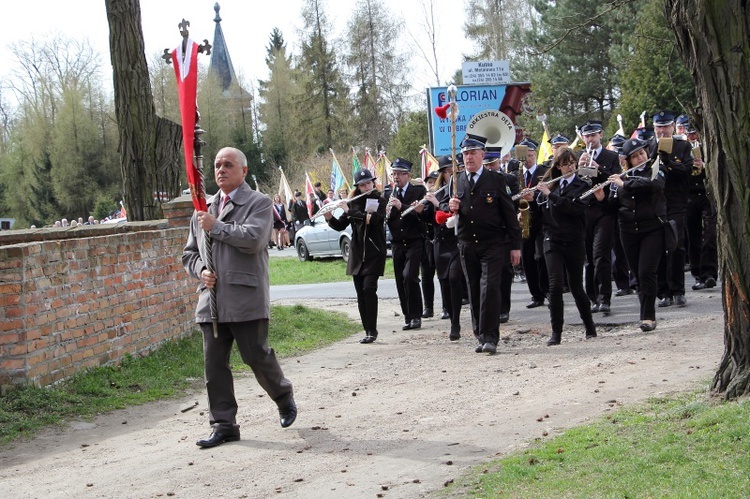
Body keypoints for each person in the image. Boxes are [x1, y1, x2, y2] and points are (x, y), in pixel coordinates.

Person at [182, 146, 296, 449]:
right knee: (214, 365)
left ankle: (283, 395)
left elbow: (253, 240)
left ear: (243, 171)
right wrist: (201, 270)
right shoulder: (203, 207)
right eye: (217, 165)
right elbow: (189, 254)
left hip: (246, 297)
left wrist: (216, 226)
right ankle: (224, 424)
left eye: (228, 165)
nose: (221, 170)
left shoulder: (258, 203)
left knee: (256, 355)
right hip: (212, 300)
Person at [445, 134, 522, 354]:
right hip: (468, 243)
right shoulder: (457, 180)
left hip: (493, 243)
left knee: (489, 288)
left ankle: (490, 337)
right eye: (465, 153)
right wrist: (451, 205)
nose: (468, 157)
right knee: (474, 289)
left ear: (482, 154)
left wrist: (515, 246)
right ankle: (480, 334)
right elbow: (446, 208)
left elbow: (509, 215)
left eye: (472, 153)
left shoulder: (497, 180)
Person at [535, 147, 597, 345]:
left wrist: (549, 195)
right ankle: (556, 333)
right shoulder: (552, 185)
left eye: (572, 163)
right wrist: (533, 199)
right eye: (565, 164)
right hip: (552, 239)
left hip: (573, 239)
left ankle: (589, 326)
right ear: (558, 167)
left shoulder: (583, 185)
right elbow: (543, 213)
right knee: (554, 286)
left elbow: (573, 207)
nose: (569, 167)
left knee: (576, 286)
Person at [609, 138, 667, 332]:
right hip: (628, 230)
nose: (640, 157)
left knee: (646, 271)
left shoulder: (656, 168)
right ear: (628, 160)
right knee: (637, 276)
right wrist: (604, 194)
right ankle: (645, 312)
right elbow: (612, 205)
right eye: (635, 156)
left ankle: (648, 316)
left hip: (653, 229)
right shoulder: (621, 176)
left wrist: (624, 184)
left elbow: (653, 186)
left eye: (641, 153)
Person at [324, 169, 386, 343]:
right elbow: (339, 225)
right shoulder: (353, 203)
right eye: (362, 184)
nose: (366, 186)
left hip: (374, 252)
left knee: (369, 288)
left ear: (373, 183)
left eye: (368, 183)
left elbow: (373, 220)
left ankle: (373, 330)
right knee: (360, 293)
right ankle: (367, 330)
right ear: (357, 187)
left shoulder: (379, 200)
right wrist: (329, 215)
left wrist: (349, 211)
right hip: (357, 253)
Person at [578, 120, 622, 314]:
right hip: (585, 212)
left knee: (600, 254)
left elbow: (616, 179)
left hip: (604, 210)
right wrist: (576, 169)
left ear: (600, 135)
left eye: (593, 135)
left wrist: (598, 168)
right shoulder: (579, 156)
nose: (590, 139)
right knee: (588, 257)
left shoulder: (611, 156)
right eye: (586, 136)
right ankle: (592, 297)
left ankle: (605, 298)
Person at [652, 111, 693, 308]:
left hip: (676, 201)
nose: (662, 130)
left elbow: (686, 170)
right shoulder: (649, 147)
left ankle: (678, 291)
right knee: (659, 247)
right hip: (656, 202)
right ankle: (663, 292)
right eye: (659, 127)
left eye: (666, 126)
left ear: (672, 127)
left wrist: (668, 161)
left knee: (676, 245)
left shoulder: (682, 146)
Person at [385, 158, 427, 331]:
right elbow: (387, 219)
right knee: (400, 279)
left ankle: (417, 315)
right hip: (397, 243)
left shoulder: (418, 191)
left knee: (410, 276)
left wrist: (401, 206)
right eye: (394, 174)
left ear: (408, 175)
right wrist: (387, 211)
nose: (396, 177)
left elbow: (421, 214)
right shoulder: (388, 192)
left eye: (400, 174)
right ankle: (408, 316)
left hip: (414, 240)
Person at [426, 156, 464, 339]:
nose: (452, 174)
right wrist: (427, 205)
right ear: (443, 174)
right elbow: (430, 220)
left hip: (457, 242)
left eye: (454, 171)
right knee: (444, 283)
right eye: (448, 171)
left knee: (455, 278)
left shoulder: (462, 189)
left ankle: (456, 321)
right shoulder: (436, 192)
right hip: (441, 243)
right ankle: (452, 319)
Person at [484, 146, 521, 324]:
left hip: (504, 232)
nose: (490, 168)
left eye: (493, 164)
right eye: (487, 165)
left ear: (499, 162)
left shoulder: (509, 179)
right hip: (488, 233)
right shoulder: (481, 182)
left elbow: (513, 207)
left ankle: (503, 308)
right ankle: (491, 309)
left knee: (505, 273)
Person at [684, 123, 718, 290]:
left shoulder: (708, 147)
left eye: (694, 133)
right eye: (690, 134)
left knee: (710, 234)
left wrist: (704, 166)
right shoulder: (682, 149)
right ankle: (698, 275)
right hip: (689, 196)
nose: (693, 137)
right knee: (693, 237)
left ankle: (710, 273)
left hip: (706, 193)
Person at [518, 139, 550, 309]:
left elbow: (549, 194)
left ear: (535, 155)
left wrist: (534, 200)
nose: (528, 160)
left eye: (530, 156)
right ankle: (536, 295)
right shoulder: (515, 174)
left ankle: (547, 289)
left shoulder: (544, 172)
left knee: (542, 256)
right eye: (525, 157)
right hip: (523, 220)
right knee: (528, 258)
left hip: (541, 219)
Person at [420, 170, 439, 319]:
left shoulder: (441, 198)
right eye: (429, 182)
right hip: (426, 241)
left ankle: (446, 307)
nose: (432, 185)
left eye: (434, 181)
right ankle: (428, 307)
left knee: (444, 276)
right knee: (426, 275)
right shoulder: (424, 200)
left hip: (440, 241)